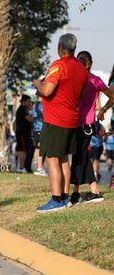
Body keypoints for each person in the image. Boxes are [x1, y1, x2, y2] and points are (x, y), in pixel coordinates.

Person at [33, 33, 88, 213]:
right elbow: (80, 94)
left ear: (60, 48)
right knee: (65, 159)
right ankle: (65, 198)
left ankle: (57, 199)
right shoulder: (81, 69)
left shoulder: (58, 66)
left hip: (55, 120)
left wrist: (38, 85)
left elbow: (47, 91)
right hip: (72, 120)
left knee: (52, 158)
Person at [70, 51, 113, 204]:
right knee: (82, 157)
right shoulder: (75, 79)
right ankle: (93, 191)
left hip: (86, 125)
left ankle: (79, 193)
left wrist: (102, 110)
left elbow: (112, 96)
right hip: (75, 124)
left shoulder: (94, 80)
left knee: (79, 157)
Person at [15, 94, 34, 173]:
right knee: (23, 150)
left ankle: (23, 167)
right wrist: (33, 112)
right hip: (22, 133)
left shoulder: (25, 110)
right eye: (28, 101)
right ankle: (22, 167)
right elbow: (30, 119)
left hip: (26, 133)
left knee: (25, 149)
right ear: (24, 101)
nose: (30, 103)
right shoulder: (22, 109)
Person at [32, 93, 47, 176]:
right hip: (40, 129)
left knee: (38, 148)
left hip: (37, 129)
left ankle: (39, 167)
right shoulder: (40, 106)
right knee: (42, 148)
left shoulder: (36, 105)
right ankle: (40, 168)